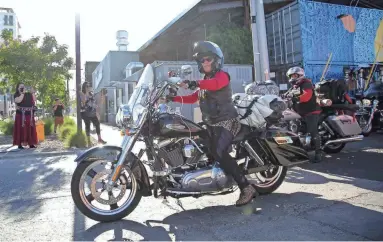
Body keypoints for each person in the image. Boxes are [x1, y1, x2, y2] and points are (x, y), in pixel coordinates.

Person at [167, 41, 258, 206]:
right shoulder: (204, 80)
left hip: (227, 121)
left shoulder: (222, 76)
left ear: (216, 60)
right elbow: (193, 98)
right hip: (211, 123)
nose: (205, 62)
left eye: (208, 59)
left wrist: (193, 83)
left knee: (219, 151)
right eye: (202, 60)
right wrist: (172, 98)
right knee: (199, 143)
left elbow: (215, 85)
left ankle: (246, 187)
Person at [285, 66, 322, 163]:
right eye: (291, 76)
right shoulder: (294, 86)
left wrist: (296, 99)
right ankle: (299, 152)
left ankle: (318, 153)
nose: (293, 77)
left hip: (311, 111)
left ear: (300, 75)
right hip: (299, 112)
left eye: (295, 75)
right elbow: (287, 94)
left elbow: (307, 96)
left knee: (312, 132)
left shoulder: (306, 83)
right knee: (297, 132)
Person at [13, 83, 37, 149]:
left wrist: (33, 93)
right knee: (20, 129)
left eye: (23, 87)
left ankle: (31, 143)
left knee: (30, 128)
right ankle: (19, 144)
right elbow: (18, 100)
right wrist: (22, 93)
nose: (22, 88)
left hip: (29, 114)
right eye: (21, 87)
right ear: (18, 88)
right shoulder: (16, 94)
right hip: (20, 114)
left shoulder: (28, 94)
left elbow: (34, 100)